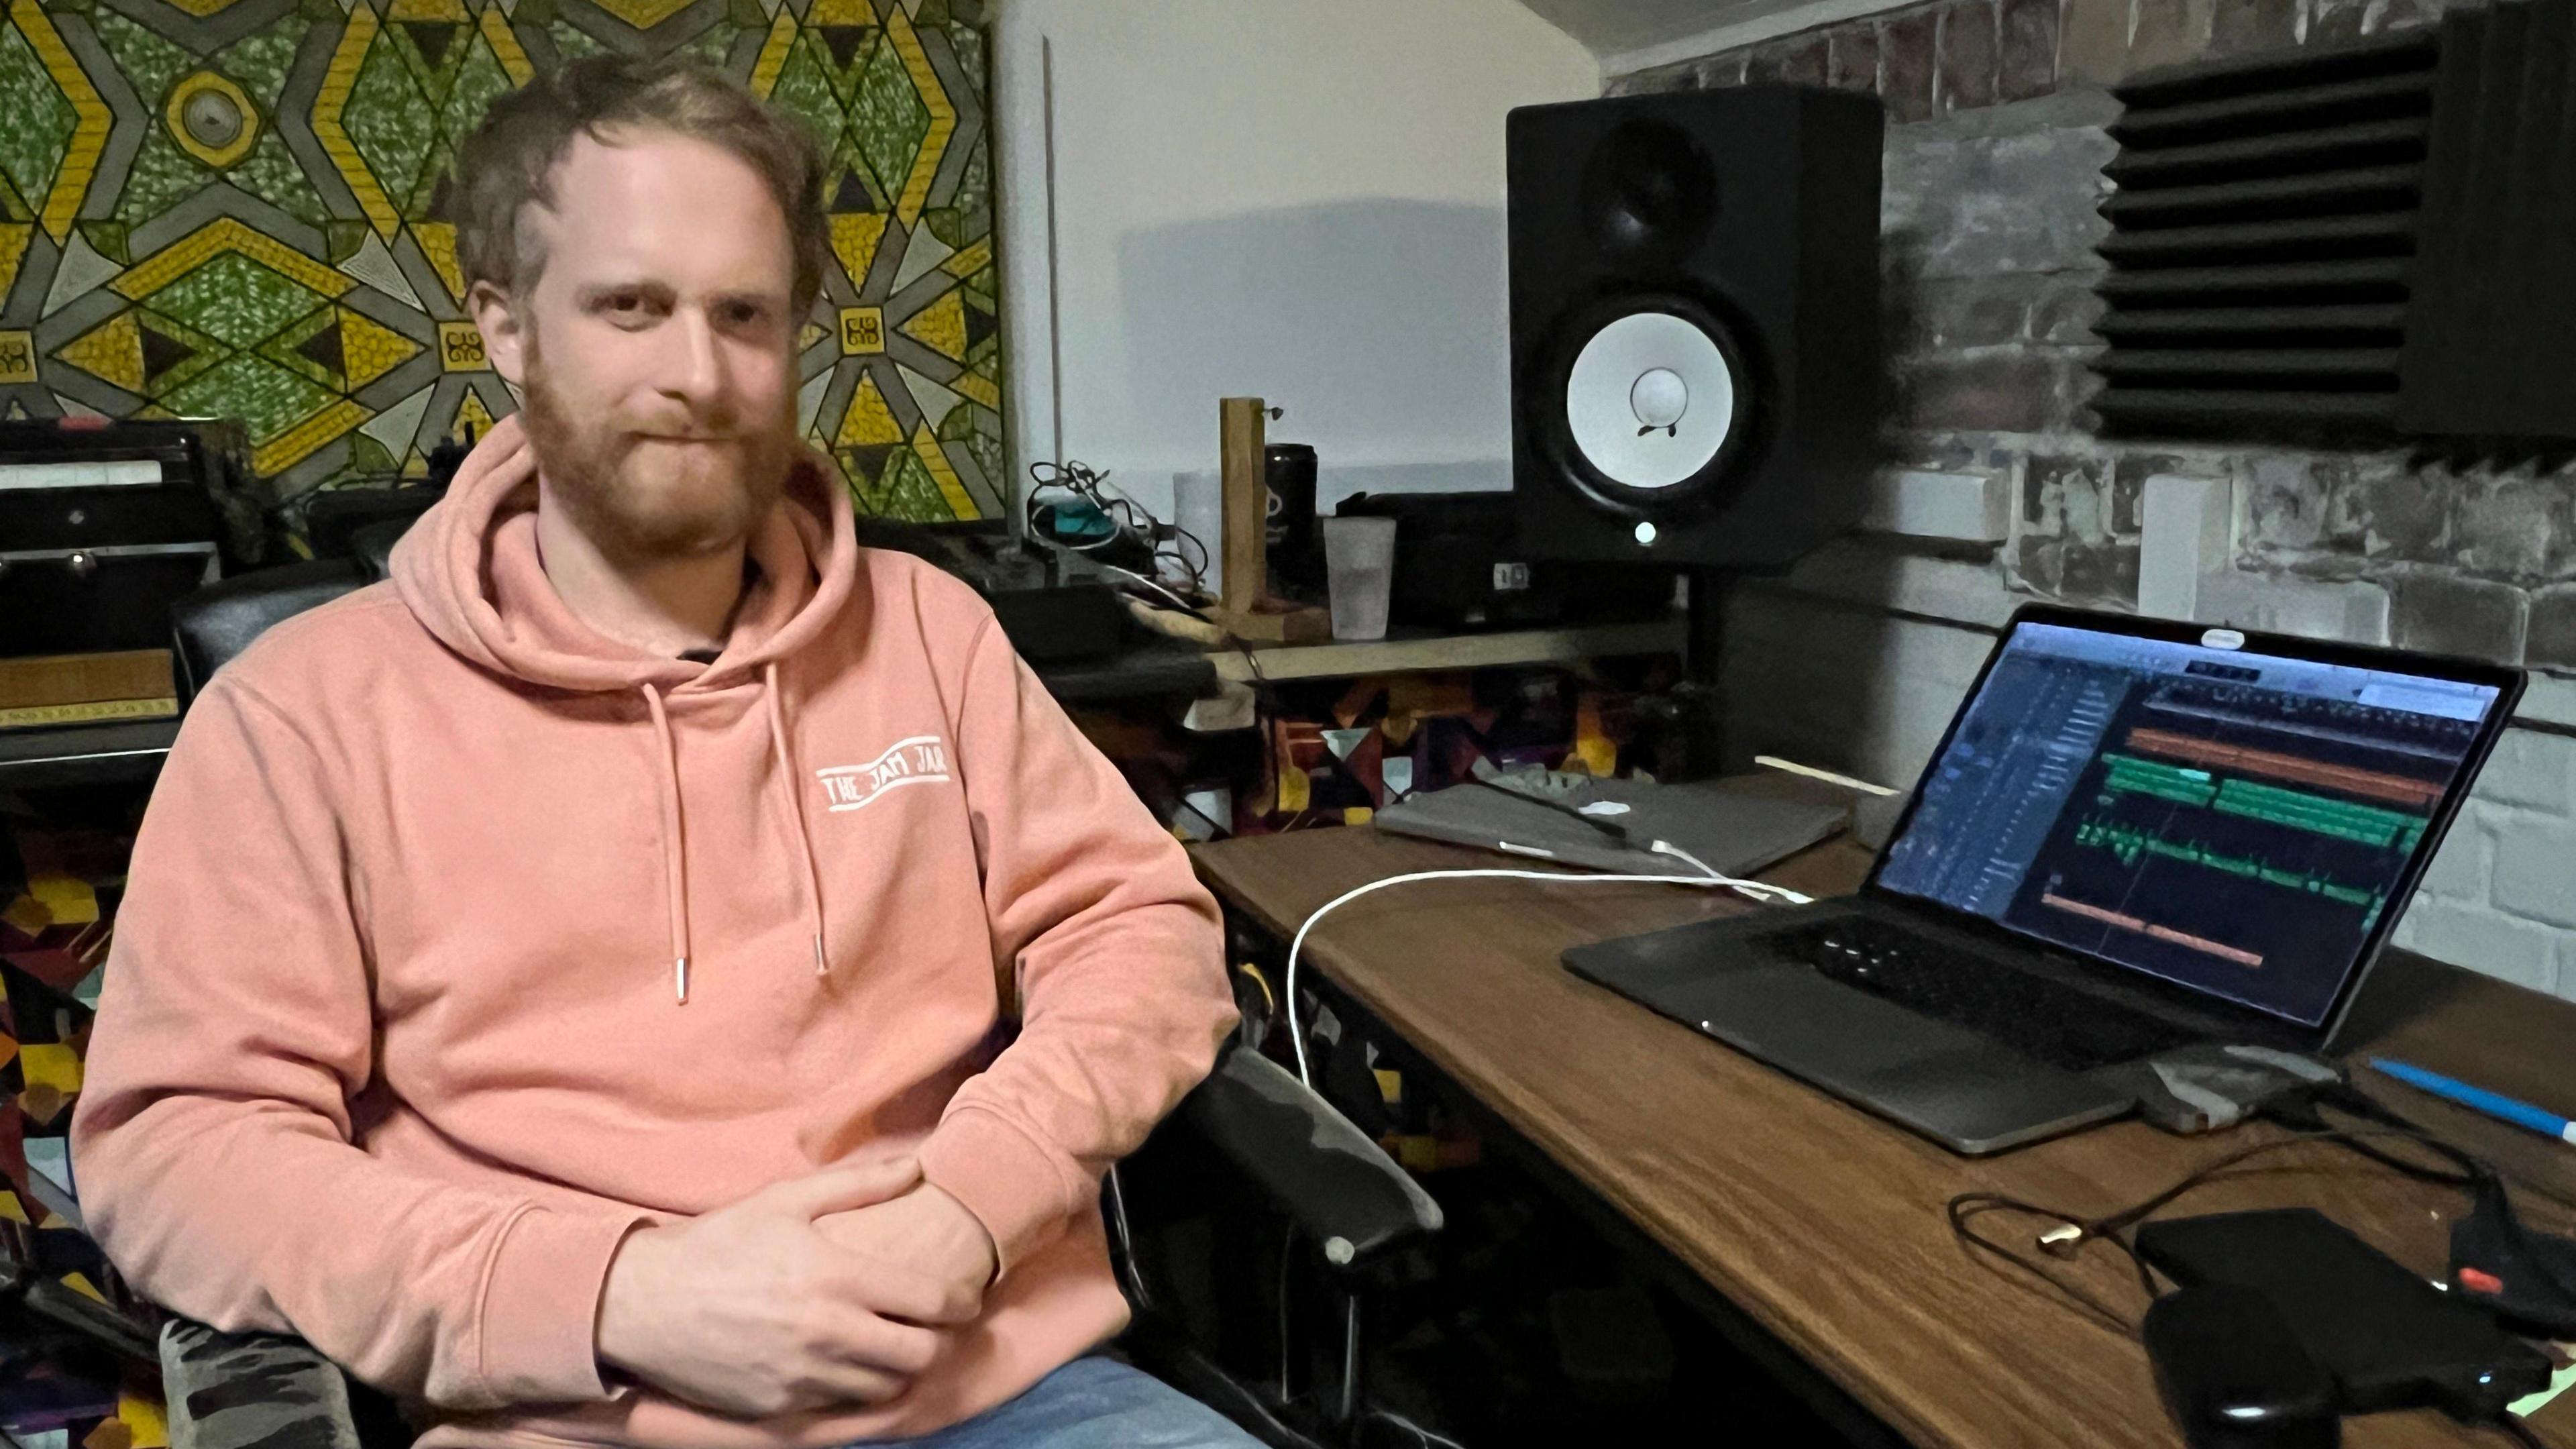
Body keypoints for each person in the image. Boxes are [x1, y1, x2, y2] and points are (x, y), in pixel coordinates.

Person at [72, 54, 1258, 1449]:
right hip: (576, 1413)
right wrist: (618, 1294)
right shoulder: (302, 718)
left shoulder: (932, 638)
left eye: (744, 315)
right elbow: (181, 1158)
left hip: (998, 1386)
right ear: (506, 328)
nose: (698, 375)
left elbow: (1137, 932)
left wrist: (971, 1207)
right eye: (631, 307)